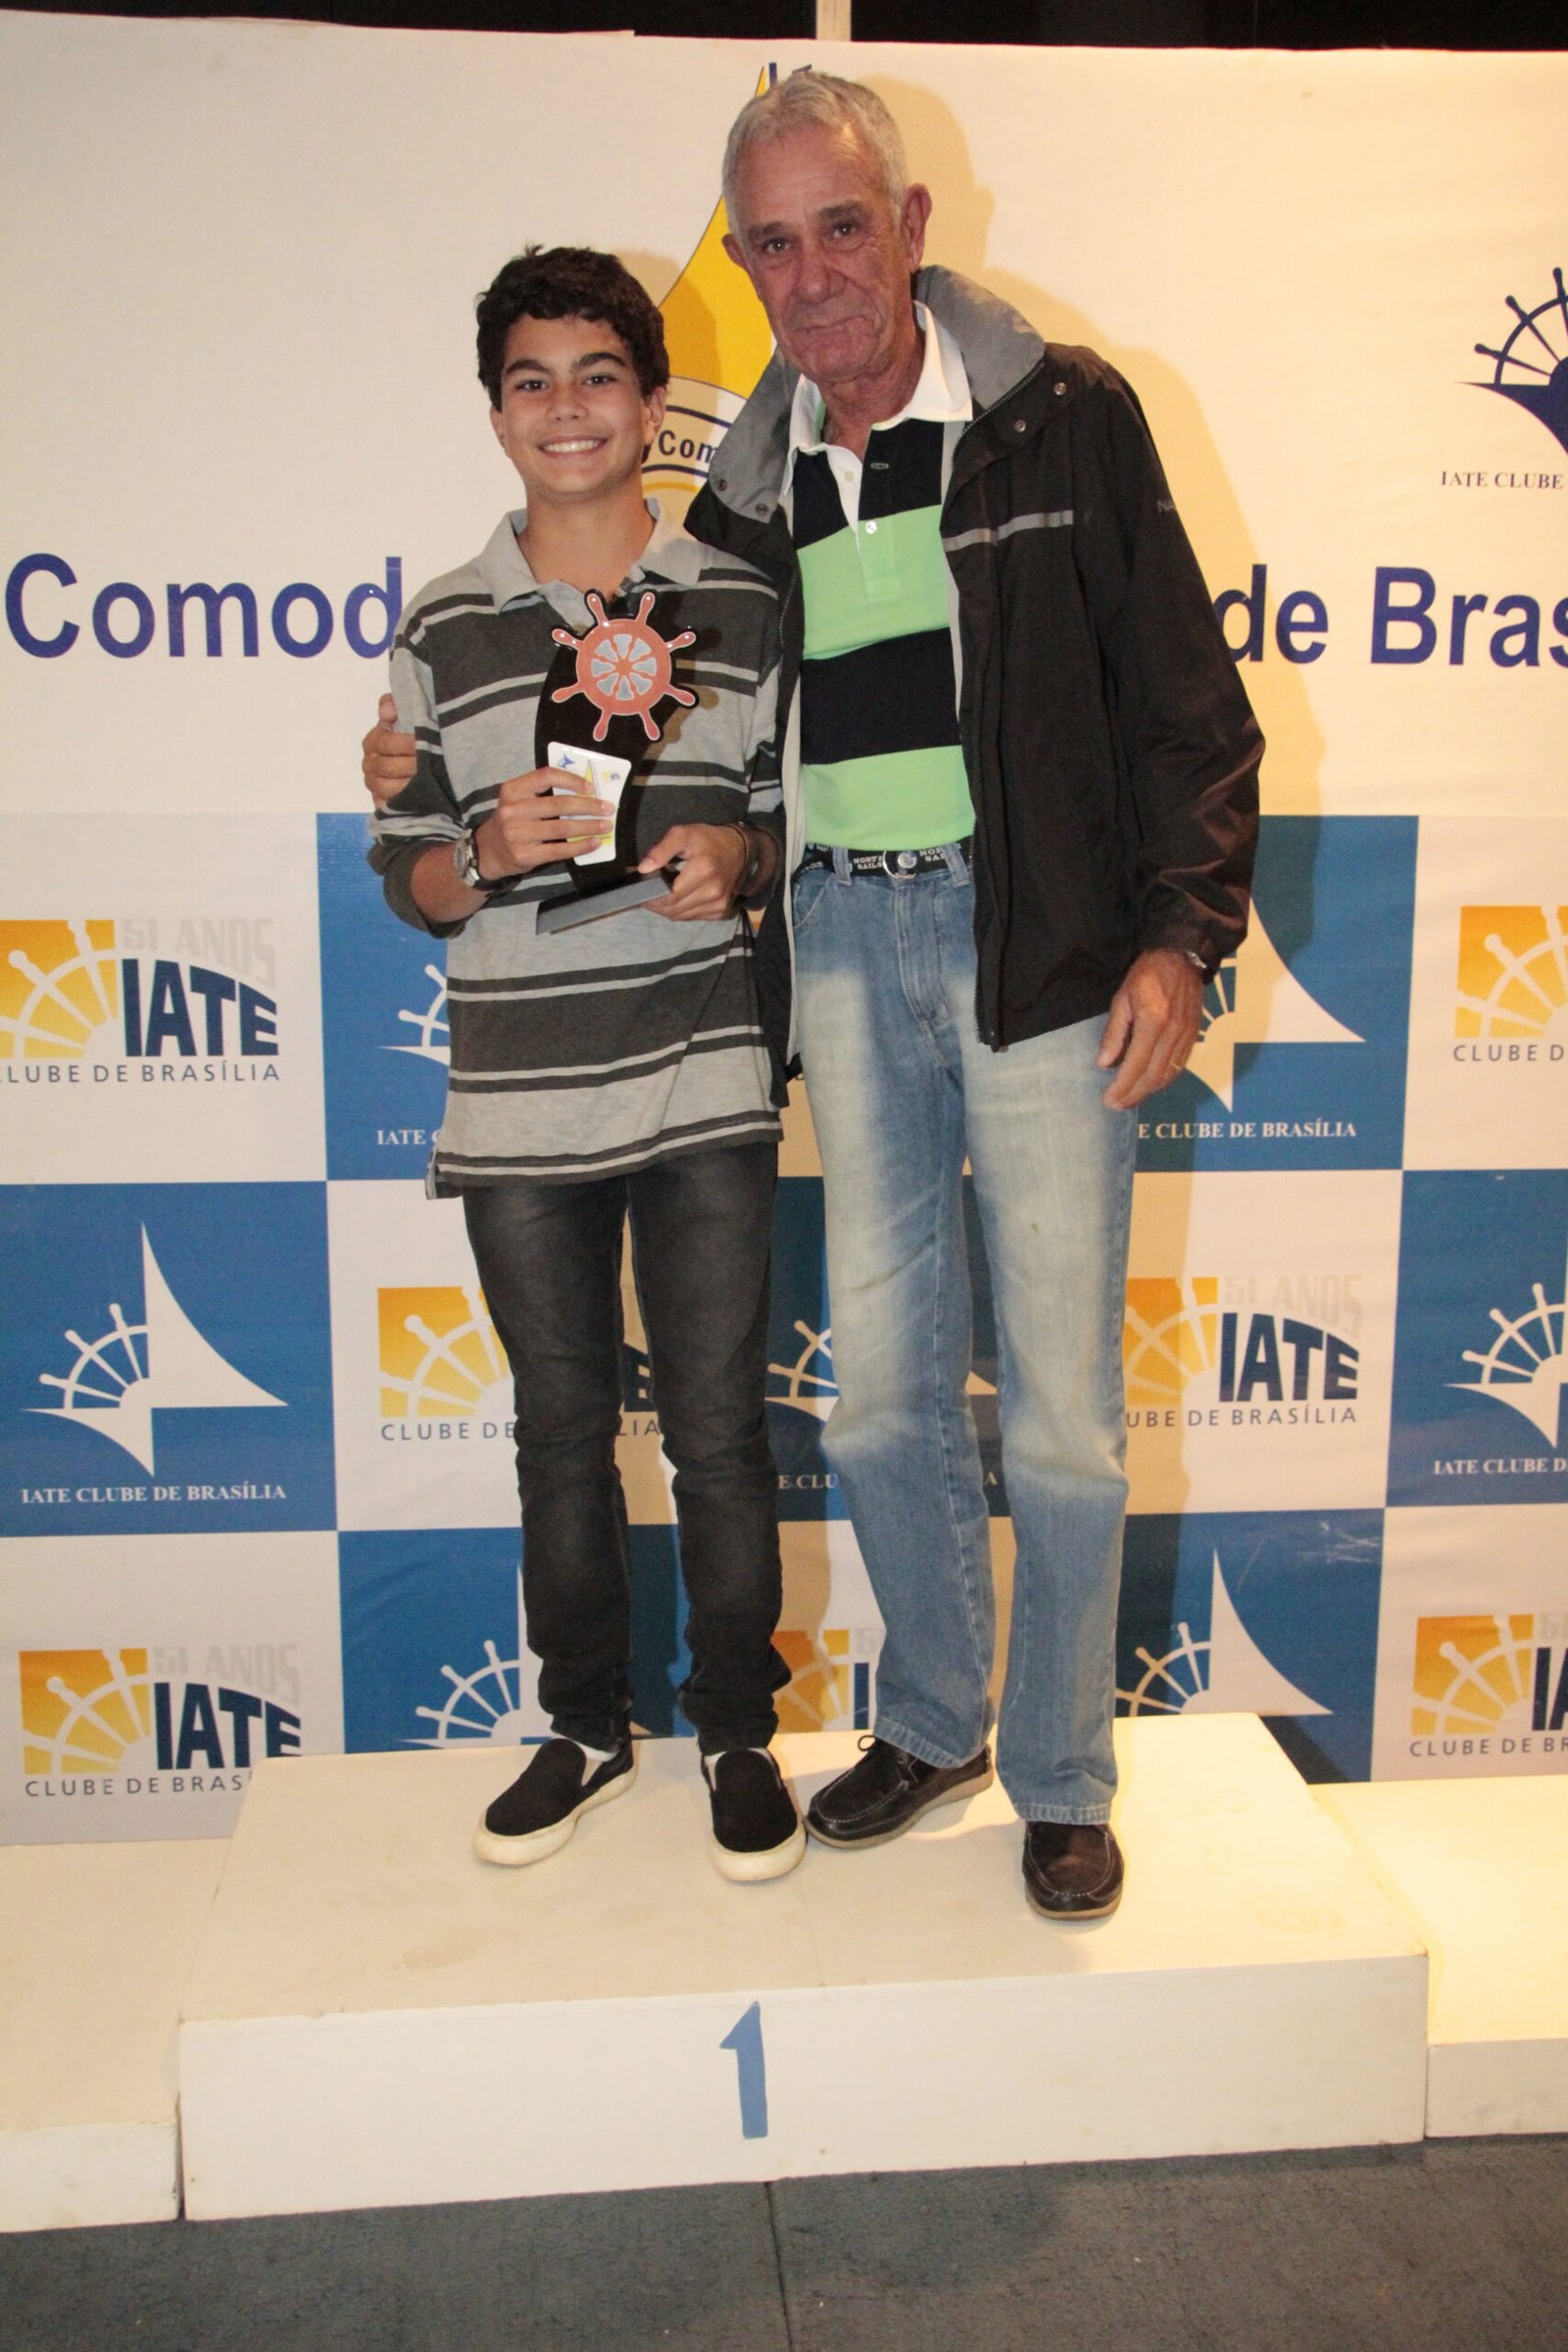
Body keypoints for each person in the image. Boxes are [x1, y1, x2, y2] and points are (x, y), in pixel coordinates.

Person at [364, 82, 1261, 1920]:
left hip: (1042, 949)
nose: (813, 271)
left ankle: (1063, 1774)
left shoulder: (1063, 417)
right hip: (840, 943)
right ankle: (933, 1723)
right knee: (875, 1405)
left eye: (841, 226)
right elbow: (670, 744)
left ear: (911, 223)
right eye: (772, 242)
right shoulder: (742, 498)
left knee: (1065, 1416)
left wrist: (1183, 934)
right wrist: (415, 775)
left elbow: (1190, 700)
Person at [369, 244, 803, 1883]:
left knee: (719, 1431)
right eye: (532, 382)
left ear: (650, 396)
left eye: (598, 375)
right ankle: (585, 1726)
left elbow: (788, 824)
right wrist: (480, 854)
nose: (567, 409)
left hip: (701, 1079)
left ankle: (740, 1731)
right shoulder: (444, 623)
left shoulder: (740, 604)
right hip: (520, 1101)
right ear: (497, 413)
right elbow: (407, 872)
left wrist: (735, 863)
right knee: (559, 1434)